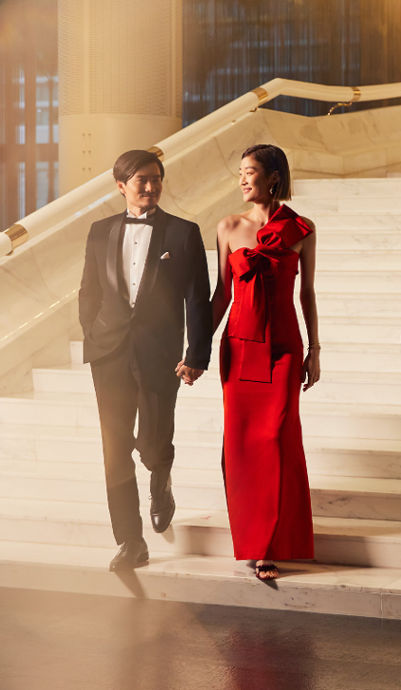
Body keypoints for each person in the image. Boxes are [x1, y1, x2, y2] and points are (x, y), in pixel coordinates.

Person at [79, 149, 212, 571]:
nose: (151, 187)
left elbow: (197, 298)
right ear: (121, 186)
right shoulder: (99, 231)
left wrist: (197, 354)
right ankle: (131, 542)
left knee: (153, 441)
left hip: (160, 354)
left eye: (156, 179)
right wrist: (94, 335)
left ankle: (160, 475)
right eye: (142, 180)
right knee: (114, 448)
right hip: (109, 353)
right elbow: (89, 291)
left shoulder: (183, 232)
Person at [211, 144, 319, 581]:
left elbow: (306, 293)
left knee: (275, 439)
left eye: (250, 171)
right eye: (239, 172)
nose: (242, 180)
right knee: (241, 445)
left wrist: (315, 350)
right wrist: (195, 348)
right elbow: (221, 294)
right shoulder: (227, 226)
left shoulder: (302, 228)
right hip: (239, 347)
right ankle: (256, 547)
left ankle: (276, 541)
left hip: (283, 348)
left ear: (273, 177)